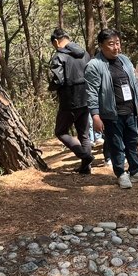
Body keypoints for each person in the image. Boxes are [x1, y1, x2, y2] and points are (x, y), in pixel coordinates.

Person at [85, 29, 138, 189]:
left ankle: (136, 171)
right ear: (101, 45)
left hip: (129, 109)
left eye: (117, 43)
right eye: (111, 44)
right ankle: (121, 174)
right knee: (116, 145)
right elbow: (91, 93)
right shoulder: (94, 65)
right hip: (111, 113)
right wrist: (95, 115)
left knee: (132, 142)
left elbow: (133, 82)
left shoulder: (124, 60)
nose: (116, 47)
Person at [48, 28, 93, 174]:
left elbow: (58, 80)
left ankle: (85, 156)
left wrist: (51, 87)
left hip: (69, 101)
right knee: (84, 134)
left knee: (61, 132)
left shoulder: (59, 56)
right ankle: (86, 168)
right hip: (86, 98)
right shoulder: (84, 54)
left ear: (56, 41)